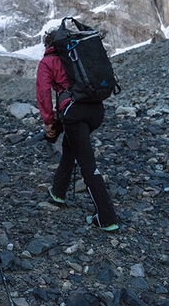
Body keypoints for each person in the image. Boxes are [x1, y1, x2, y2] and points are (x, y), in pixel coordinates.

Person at [36, 29, 119, 232]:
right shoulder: (77, 53)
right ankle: (58, 192)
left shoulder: (47, 62)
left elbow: (43, 93)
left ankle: (106, 218)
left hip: (75, 113)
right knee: (71, 146)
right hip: (96, 110)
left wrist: (48, 122)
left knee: (87, 164)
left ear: (48, 45)